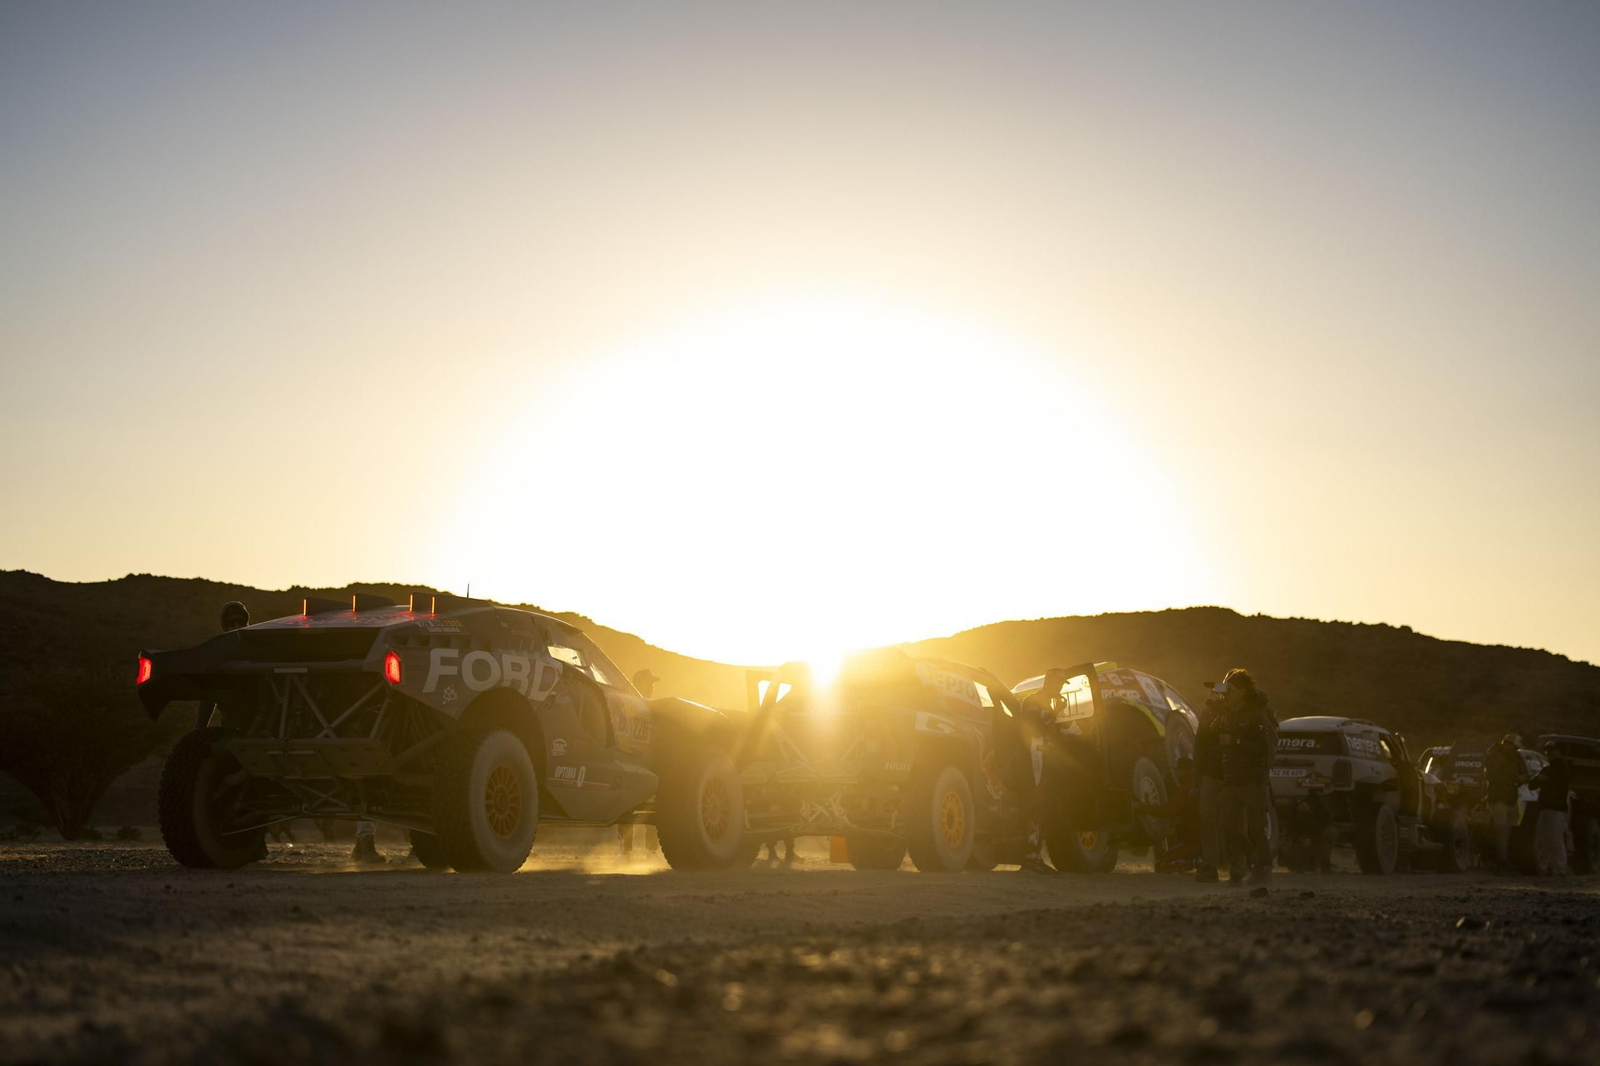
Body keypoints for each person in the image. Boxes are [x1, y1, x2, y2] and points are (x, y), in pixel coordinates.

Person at [1214, 669, 1275, 887]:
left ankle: (1263, 871)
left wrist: (1234, 741)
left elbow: (1261, 747)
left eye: (1230, 690)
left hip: (1253, 780)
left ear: (1242, 691)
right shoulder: (1228, 713)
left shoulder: (1256, 714)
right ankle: (1255, 860)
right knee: (1226, 825)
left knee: (1256, 829)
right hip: (1232, 779)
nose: (1226, 693)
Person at [1013, 669, 1070, 874]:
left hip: (1042, 753)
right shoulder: (1032, 700)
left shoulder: (1047, 702)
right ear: (1051, 682)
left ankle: (1034, 856)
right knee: (1035, 803)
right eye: (1060, 683)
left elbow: (1050, 728)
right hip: (1033, 753)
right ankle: (1030, 859)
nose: (1062, 688)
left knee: (1041, 804)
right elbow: (1032, 728)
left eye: (1063, 684)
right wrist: (1057, 713)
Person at [1134, 756, 1201, 872]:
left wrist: (1142, 807)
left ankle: (1197, 863)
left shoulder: (1185, 789)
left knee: (1161, 864)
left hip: (1195, 843)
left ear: (1182, 770)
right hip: (1204, 840)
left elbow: (1167, 811)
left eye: (1178, 771)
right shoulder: (1198, 785)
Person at [196, 601, 251, 729]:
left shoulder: (258, 649)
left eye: (240, 622)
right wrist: (200, 728)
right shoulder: (217, 654)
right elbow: (207, 696)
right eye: (231, 623)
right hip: (232, 726)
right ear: (225, 625)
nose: (236, 626)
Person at [1192, 692, 1227, 883]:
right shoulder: (1209, 714)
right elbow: (1200, 745)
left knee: (1234, 823)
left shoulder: (1244, 712)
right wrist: (1197, 776)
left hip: (1235, 775)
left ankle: (1241, 866)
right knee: (1207, 820)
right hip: (1210, 774)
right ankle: (1210, 866)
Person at [1483, 733, 1527, 874]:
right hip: (1499, 798)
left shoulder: (1515, 757)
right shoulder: (1493, 755)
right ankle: (1502, 862)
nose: (1513, 749)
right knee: (1502, 832)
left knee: (1509, 832)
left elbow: (1524, 774)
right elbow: (1494, 775)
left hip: (1511, 798)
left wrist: (1520, 778)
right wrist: (1516, 777)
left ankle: (1506, 861)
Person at [1530, 747, 1571, 876]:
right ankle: (1549, 868)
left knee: (1555, 839)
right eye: (1548, 751)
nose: (1550, 753)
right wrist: (1539, 779)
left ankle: (1559, 869)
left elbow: (1558, 783)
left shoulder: (1562, 768)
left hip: (1557, 809)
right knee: (1544, 839)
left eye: (1554, 751)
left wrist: (1542, 779)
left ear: (1559, 752)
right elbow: (1532, 784)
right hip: (1545, 808)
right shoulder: (1548, 769)